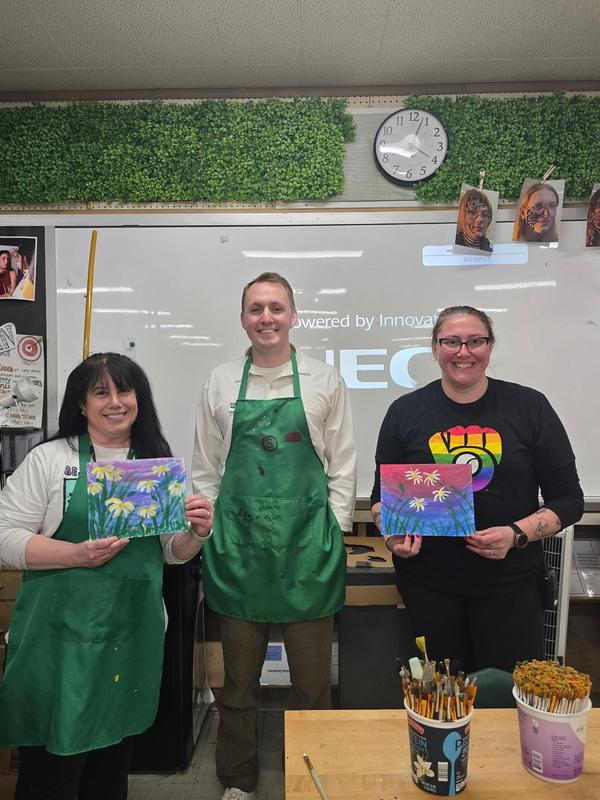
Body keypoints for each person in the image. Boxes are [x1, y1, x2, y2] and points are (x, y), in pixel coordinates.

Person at [0, 352, 214, 800]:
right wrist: (74, 554)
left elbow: (172, 553)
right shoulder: (50, 460)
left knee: (110, 772)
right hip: (57, 643)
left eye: (124, 390)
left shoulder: (156, 465)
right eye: (100, 392)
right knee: (51, 775)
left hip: (128, 638)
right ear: (81, 404)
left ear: (140, 399)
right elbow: (4, 536)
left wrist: (196, 534)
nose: (114, 402)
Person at [192, 272, 356, 800]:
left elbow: (343, 465)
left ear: (293, 315)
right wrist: (211, 528)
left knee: (311, 684)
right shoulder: (219, 381)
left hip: (308, 550)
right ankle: (238, 782)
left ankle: (309, 779)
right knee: (237, 685)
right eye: (256, 308)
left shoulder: (324, 379)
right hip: (237, 551)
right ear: (243, 318)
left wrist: (332, 529)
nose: (267, 317)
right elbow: (205, 468)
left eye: (276, 308)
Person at [370, 306, 583, 675]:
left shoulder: (529, 407)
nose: (463, 351)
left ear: (490, 346)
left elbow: (570, 500)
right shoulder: (405, 412)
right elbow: (380, 501)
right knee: (440, 708)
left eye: (475, 341)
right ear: (434, 348)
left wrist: (516, 534)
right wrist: (391, 537)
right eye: (451, 341)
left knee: (507, 705)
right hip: (430, 589)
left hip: (512, 591)